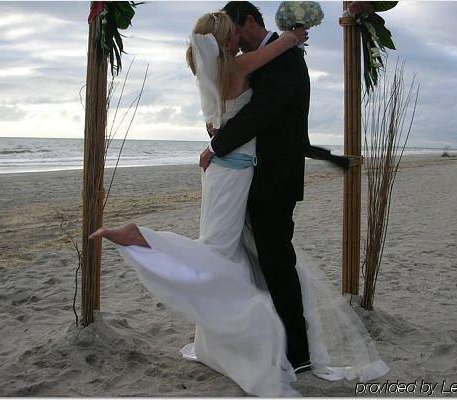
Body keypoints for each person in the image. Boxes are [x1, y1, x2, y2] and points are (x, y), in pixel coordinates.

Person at [90, 6, 389, 397]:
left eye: (237, 31)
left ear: (247, 23)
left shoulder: (233, 66)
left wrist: (319, 154)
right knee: (225, 253)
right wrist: (294, 33)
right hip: (238, 173)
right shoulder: (243, 63)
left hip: (258, 178)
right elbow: (255, 114)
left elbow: (267, 117)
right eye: (229, 35)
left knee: (256, 260)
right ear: (223, 39)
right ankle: (144, 238)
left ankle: (271, 347)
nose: (236, 39)